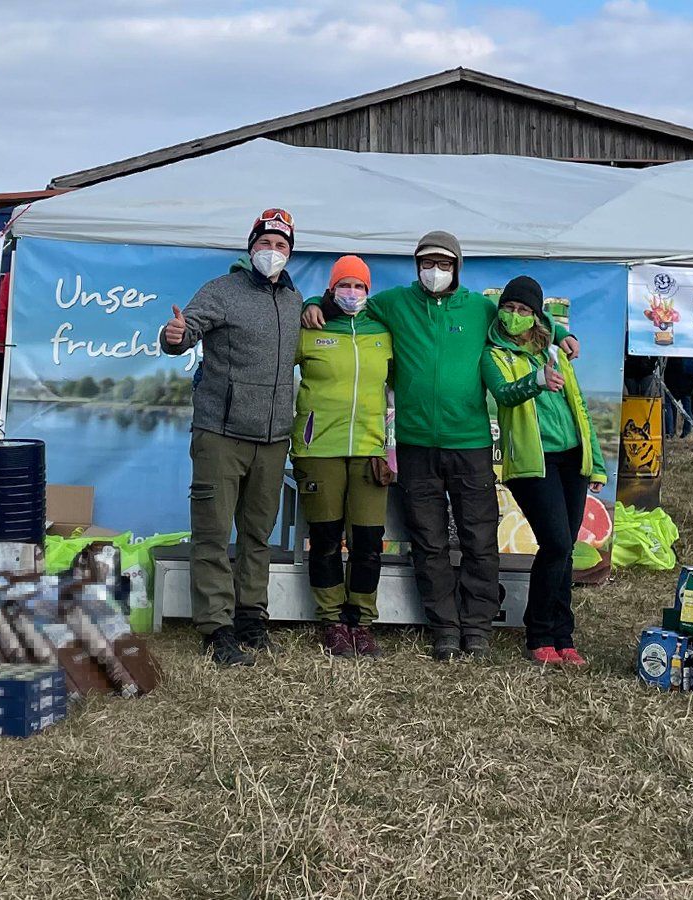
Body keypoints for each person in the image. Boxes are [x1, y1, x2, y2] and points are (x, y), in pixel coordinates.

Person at [302, 231, 579, 661]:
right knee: (429, 542)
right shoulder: (394, 303)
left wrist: (559, 333)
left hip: (469, 444)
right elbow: (346, 303)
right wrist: (312, 304)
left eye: (444, 264)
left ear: (457, 268)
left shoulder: (479, 308)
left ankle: (477, 626)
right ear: (417, 267)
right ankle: (444, 627)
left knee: (478, 538)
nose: (435, 272)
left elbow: (519, 319)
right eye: (427, 263)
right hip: (415, 446)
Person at [161, 208, 304, 667]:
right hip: (220, 434)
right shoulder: (222, 291)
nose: (272, 252)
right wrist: (175, 336)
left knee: (257, 536)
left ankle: (251, 618)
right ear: (251, 247)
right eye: (265, 243)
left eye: (281, 246)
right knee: (212, 534)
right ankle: (217, 628)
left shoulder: (295, 300)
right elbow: (184, 335)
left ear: (289, 253)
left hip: (272, 438)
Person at [481, 276, 607, 665]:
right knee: (554, 543)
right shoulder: (493, 354)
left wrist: (596, 462)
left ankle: (563, 637)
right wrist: (535, 380)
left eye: (524, 310)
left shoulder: (554, 352)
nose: (514, 316)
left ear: (536, 317)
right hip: (533, 464)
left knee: (565, 550)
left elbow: (579, 408)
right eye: (510, 308)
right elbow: (503, 393)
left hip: (572, 459)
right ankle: (538, 634)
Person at [292, 255, 393, 659]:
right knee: (327, 540)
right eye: (344, 285)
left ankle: (362, 623)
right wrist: (307, 305)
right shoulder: (310, 329)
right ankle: (332, 621)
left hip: (370, 450)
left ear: (369, 293)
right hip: (319, 450)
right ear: (331, 290)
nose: (352, 293)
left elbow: (402, 387)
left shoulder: (383, 333)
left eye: (360, 287)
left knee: (369, 541)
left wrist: (392, 445)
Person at [663, 357, 693, 440]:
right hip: (687, 383)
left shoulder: (670, 354)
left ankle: (670, 432)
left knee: (669, 405)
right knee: (688, 408)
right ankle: (687, 431)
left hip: (671, 382)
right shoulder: (688, 354)